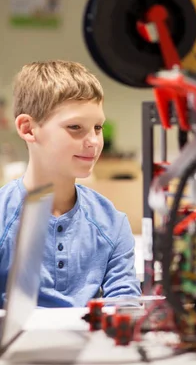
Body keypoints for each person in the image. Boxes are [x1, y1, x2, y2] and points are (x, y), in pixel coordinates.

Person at [0, 60, 141, 307]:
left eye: (97, 127)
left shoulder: (112, 223)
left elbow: (125, 309)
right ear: (28, 129)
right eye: (75, 127)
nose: (94, 141)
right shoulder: (3, 217)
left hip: (92, 344)